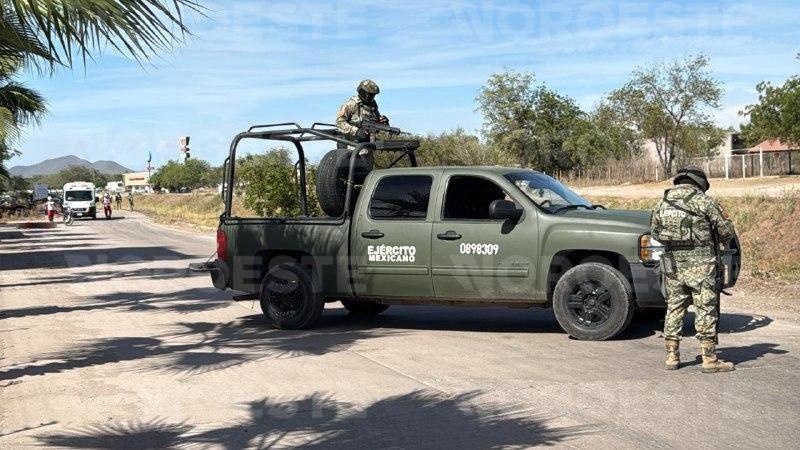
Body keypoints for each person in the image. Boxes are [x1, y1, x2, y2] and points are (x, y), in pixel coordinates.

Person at [650, 166, 736, 373]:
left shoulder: (662, 202)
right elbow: (726, 231)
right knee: (705, 308)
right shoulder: (704, 201)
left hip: (673, 265)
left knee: (674, 307)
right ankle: (709, 359)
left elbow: (655, 232)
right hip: (702, 264)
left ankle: (672, 357)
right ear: (700, 183)